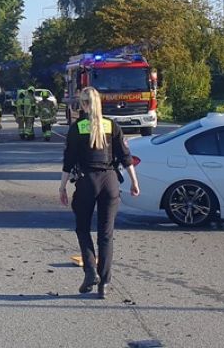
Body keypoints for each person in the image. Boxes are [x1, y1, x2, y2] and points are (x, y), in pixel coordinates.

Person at [59, 87, 140, 298]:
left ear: (83, 104)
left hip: (87, 182)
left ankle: (90, 272)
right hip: (110, 181)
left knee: (82, 228)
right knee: (106, 234)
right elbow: (125, 156)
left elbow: (68, 161)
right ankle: (104, 283)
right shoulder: (111, 125)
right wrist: (134, 181)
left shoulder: (77, 128)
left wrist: (62, 187)